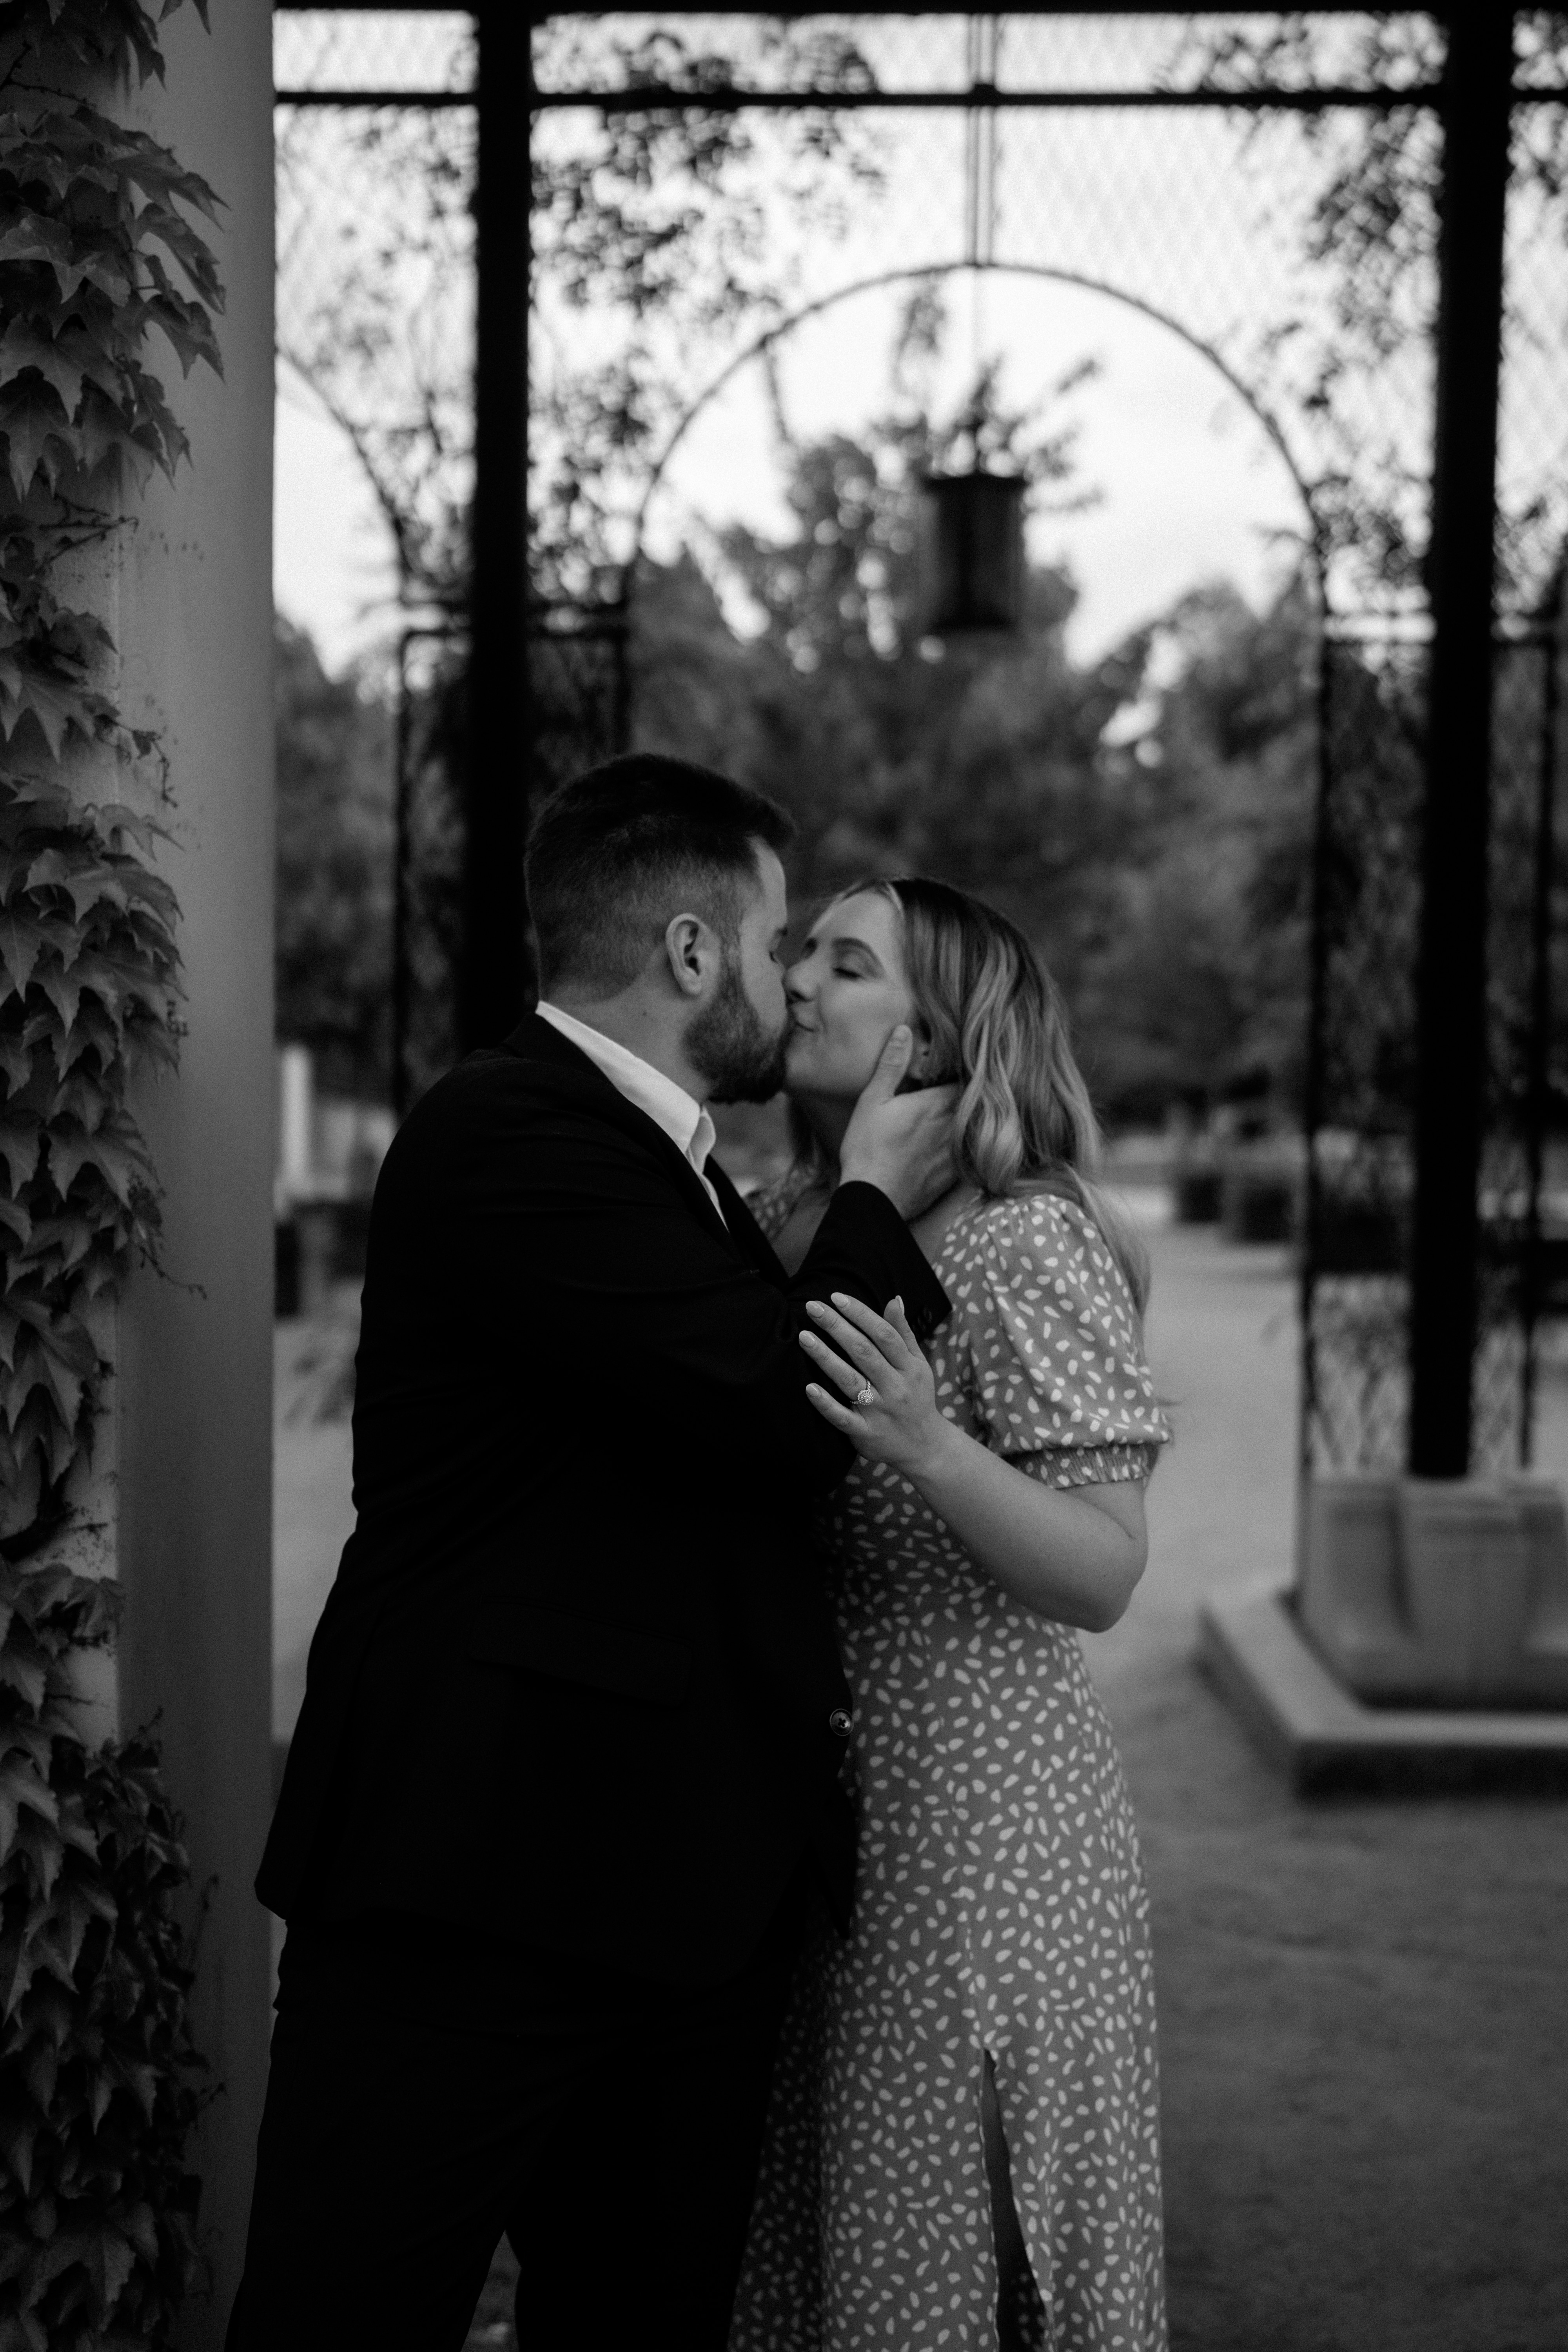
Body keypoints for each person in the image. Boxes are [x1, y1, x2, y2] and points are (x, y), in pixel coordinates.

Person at [227, 757, 958, 2352]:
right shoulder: (504, 1133)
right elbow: (778, 1406)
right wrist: (876, 1193)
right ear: (691, 953)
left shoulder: (680, 1164)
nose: (786, 984)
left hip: (680, 1907)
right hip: (472, 1894)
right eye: (776, 946)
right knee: (339, 2318)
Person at [730, 877, 1171, 2352]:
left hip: (987, 1847)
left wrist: (930, 1444)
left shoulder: (1024, 1243)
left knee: (952, 2248)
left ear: (940, 1041)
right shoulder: (808, 1225)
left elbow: (1105, 1570)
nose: (795, 979)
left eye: (844, 964)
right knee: (852, 2236)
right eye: (803, 949)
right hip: (852, 1825)